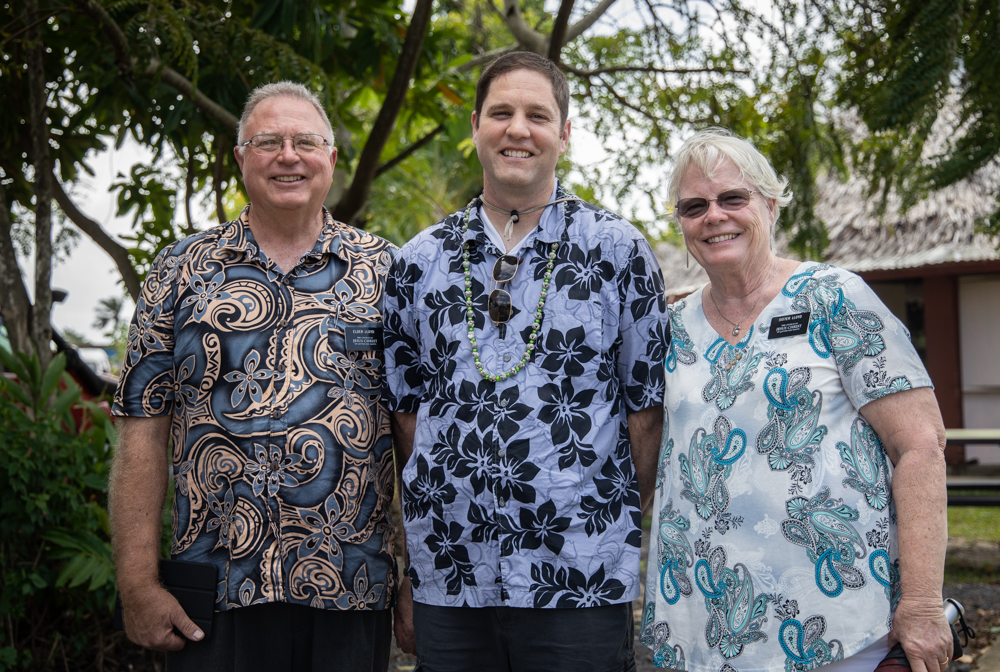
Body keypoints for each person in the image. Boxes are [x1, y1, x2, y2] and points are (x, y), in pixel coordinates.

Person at [383, 51, 669, 671]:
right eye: (501, 113)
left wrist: (604, 518)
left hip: (581, 571)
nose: (518, 129)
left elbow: (646, 410)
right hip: (451, 570)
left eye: (538, 115)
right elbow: (405, 412)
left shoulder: (618, 250)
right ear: (475, 127)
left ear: (564, 134)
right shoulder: (417, 261)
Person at [110, 81, 398, 672]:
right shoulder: (179, 271)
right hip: (212, 593)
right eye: (268, 142)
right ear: (241, 157)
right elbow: (142, 433)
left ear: (331, 158)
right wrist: (136, 584)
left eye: (305, 142)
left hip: (351, 584)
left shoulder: (389, 273)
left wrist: (422, 581)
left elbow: (416, 432)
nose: (288, 156)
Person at [641, 128, 952, 672]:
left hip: (835, 624)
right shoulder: (671, 327)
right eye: (694, 206)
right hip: (703, 627)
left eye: (732, 198)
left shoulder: (835, 298)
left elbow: (921, 446)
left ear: (770, 205)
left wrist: (923, 604)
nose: (714, 216)